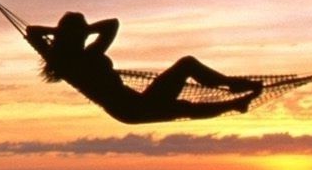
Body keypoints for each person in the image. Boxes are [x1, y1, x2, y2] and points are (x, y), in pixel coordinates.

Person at [25, 12, 264, 124]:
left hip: (133, 105)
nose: (86, 33)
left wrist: (68, 31)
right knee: (186, 69)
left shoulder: (61, 60)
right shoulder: (83, 57)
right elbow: (112, 25)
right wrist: (79, 31)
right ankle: (232, 89)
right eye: (83, 30)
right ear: (75, 35)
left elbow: (33, 33)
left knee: (182, 106)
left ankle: (235, 101)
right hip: (133, 108)